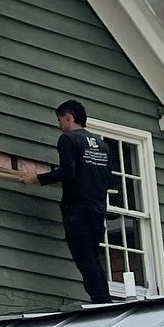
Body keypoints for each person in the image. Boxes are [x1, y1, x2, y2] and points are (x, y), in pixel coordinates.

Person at [24, 99, 118, 304]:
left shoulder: (68, 140)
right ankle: (104, 297)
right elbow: (108, 179)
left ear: (69, 117)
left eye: (60, 120)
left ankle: (101, 301)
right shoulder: (102, 145)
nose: (60, 125)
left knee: (83, 256)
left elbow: (68, 171)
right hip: (98, 207)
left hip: (77, 208)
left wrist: (38, 179)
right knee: (93, 254)